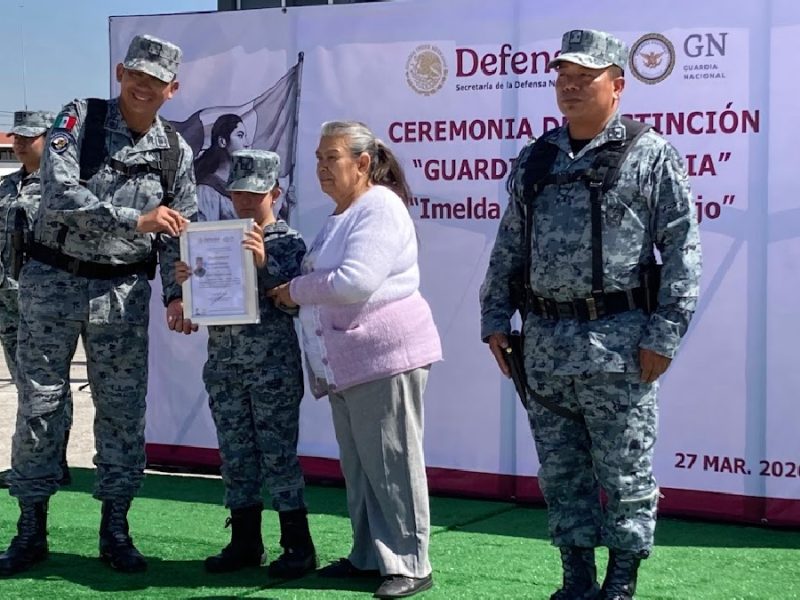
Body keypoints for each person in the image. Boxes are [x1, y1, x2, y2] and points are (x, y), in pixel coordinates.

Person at [479, 30, 701, 600]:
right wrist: (496, 318)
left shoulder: (650, 155)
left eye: (586, 77)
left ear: (618, 85)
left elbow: (682, 250)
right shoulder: (536, 158)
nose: (571, 87)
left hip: (621, 350)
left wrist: (666, 334)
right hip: (547, 348)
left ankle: (620, 582)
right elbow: (509, 245)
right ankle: (575, 579)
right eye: (564, 77)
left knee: (625, 475)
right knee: (561, 475)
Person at [0, 34, 198, 577]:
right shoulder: (78, 119)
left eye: (155, 81)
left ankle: (116, 528)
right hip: (52, 286)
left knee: (121, 413)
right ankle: (30, 527)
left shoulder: (174, 151)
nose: (143, 85)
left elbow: (181, 230)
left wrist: (179, 293)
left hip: (122, 297)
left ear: (172, 89)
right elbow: (59, 197)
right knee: (40, 405)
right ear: (119, 72)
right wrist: (136, 221)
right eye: (135, 74)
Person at [269, 121, 442, 599]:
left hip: (385, 357)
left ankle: (410, 562)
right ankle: (370, 557)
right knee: (363, 466)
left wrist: (294, 291)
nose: (323, 168)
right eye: (319, 158)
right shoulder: (343, 215)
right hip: (351, 363)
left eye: (333, 157)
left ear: (363, 163)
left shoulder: (379, 207)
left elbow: (353, 282)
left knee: (392, 461)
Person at [175, 149, 315, 579]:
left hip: (272, 368)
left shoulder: (289, 243)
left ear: (276, 191)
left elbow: (297, 305)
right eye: (238, 193)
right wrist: (189, 285)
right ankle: (244, 542)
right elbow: (207, 303)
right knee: (236, 454)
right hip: (225, 365)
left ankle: (297, 545)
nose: (246, 202)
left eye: (255, 194)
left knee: (277, 455)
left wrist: (264, 265)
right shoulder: (215, 238)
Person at [0, 110, 75, 490]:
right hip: (7, 301)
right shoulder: (6, 187)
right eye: (17, 137)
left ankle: (52, 460)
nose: (21, 144)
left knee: (47, 383)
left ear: (50, 140)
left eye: (29, 137)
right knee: (23, 383)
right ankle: (33, 462)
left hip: (46, 301)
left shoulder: (60, 188)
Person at [194, 113, 248, 221]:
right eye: (240, 136)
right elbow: (205, 233)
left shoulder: (245, 185)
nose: (246, 143)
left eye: (245, 137)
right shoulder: (207, 191)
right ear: (222, 141)